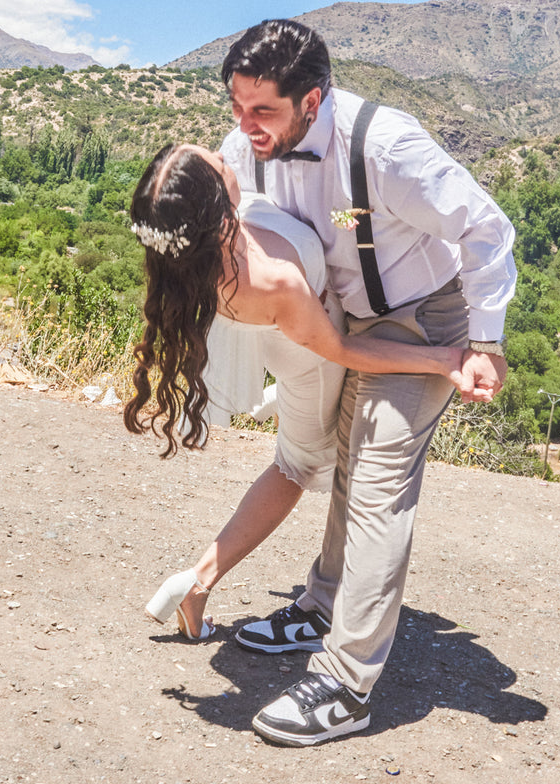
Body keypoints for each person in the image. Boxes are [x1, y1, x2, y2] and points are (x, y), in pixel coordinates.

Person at [219, 18, 517, 746]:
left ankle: (346, 684)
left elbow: (486, 227)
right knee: (349, 464)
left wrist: (486, 342)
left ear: (312, 101)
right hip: (353, 322)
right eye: (237, 106)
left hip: (428, 315)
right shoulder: (244, 149)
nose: (246, 126)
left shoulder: (385, 149)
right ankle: (323, 604)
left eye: (263, 111)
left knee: (379, 478)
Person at [124, 142, 498, 643]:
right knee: (297, 465)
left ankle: (207, 575)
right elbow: (340, 349)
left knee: (309, 453)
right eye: (218, 165)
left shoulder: (208, 242)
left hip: (299, 333)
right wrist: (441, 359)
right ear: (217, 211)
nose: (225, 155)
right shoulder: (271, 280)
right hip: (312, 364)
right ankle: (198, 582)